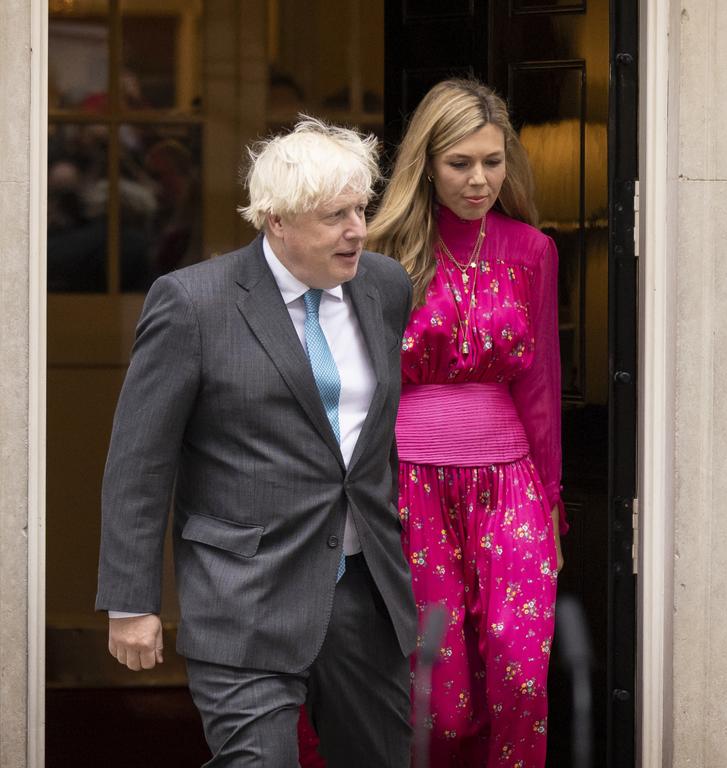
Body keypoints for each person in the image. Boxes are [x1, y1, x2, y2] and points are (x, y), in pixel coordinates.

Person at [96, 117, 417, 768]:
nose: (357, 228)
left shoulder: (385, 287)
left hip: (362, 590)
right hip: (243, 593)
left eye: (360, 208)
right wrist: (131, 602)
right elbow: (140, 460)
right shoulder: (193, 304)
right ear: (276, 221)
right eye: (335, 216)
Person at [366, 79, 566, 768]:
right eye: (460, 163)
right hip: (410, 488)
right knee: (440, 702)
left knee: (519, 677)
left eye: (493, 161)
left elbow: (540, 389)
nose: (479, 179)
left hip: (512, 488)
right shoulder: (379, 252)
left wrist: (551, 504)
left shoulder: (532, 250)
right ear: (426, 161)